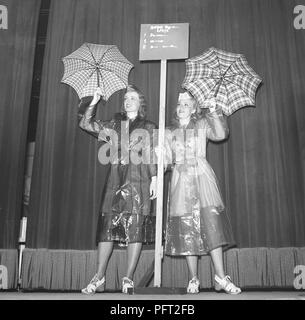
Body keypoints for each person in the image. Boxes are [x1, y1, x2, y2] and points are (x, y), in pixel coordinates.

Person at [78, 85, 157, 294]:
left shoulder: (149, 126)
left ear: (140, 104)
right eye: (126, 98)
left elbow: (151, 153)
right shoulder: (113, 124)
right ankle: (99, 276)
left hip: (139, 179)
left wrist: (155, 178)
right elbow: (86, 123)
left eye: (132, 98)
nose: (128, 101)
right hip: (115, 179)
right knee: (107, 229)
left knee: (136, 228)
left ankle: (128, 278)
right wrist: (93, 102)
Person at [162, 90, 241, 294]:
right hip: (181, 181)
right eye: (180, 103)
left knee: (212, 225)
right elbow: (166, 162)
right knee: (187, 228)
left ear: (195, 107)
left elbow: (221, 134)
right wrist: (161, 159)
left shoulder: (203, 123)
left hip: (202, 178)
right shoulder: (169, 131)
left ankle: (220, 277)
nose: (182, 107)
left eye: (188, 103)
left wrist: (215, 111)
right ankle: (193, 278)